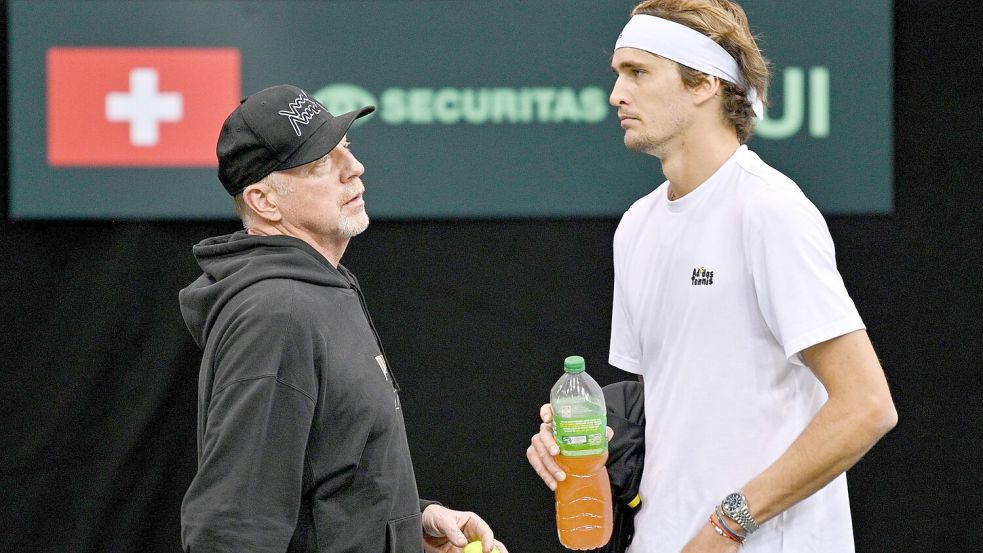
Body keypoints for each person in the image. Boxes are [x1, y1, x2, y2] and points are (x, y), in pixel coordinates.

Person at [527, 1, 897, 551]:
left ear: (703, 83)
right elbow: (669, 403)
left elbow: (866, 406)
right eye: (617, 74)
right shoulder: (635, 227)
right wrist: (587, 437)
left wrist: (730, 522)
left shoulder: (769, 210)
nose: (616, 95)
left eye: (638, 72)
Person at [179, 84, 507, 553]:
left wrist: (408, 524)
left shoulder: (319, 289)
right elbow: (231, 529)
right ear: (264, 202)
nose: (354, 169)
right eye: (320, 165)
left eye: (345, 149)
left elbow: (330, 473)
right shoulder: (278, 314)